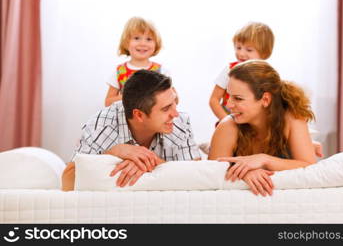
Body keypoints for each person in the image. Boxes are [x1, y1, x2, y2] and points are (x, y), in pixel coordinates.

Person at [62, 70, 201, 191]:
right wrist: (113, 154)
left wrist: (151, 162)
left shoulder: (179, 121)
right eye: (166, 109)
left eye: (174, 102)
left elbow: (196, 178)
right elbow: (67, 183)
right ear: (139, 115)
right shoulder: (102, 125)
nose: (175, 114)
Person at [208, 60, 318, 197]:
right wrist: (245, 172)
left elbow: (309, 166)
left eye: (238, 98)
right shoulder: (228, 126)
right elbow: (212, 172)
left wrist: (264, 160)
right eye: (229, 96)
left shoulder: (292, 119)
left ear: (265, 99)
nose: (229, 105)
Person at [209, 22, 274, 122]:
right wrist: (227, 121)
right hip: (232, 118)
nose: (241, 53)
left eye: (249, 50)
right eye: (238, 47)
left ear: (264, 53)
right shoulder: (230, 70)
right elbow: (214, 100)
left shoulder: (267, 74)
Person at [105, 17, 170, 107]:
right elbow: (108, 102)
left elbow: (174, 99)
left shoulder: (161, 71)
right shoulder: (120, 71)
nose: (143, 43)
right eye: (136, 38)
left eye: (148, 39)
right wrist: (131, 96)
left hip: (154, 120)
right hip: (126, 120)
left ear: (156, 44)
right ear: (126, 42)